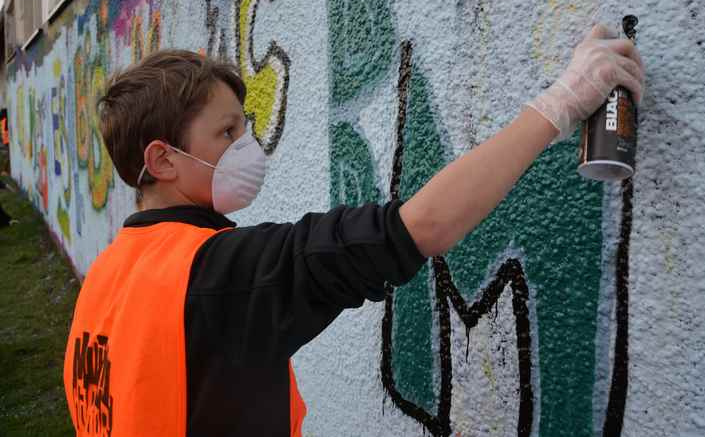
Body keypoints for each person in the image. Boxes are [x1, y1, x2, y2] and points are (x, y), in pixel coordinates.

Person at [63, 24, 644, 436]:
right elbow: (422, 226)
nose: (248, 146)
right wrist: (563, 102)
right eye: (227, 133)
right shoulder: (219, 277)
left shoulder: (106, 278)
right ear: (162, 161)